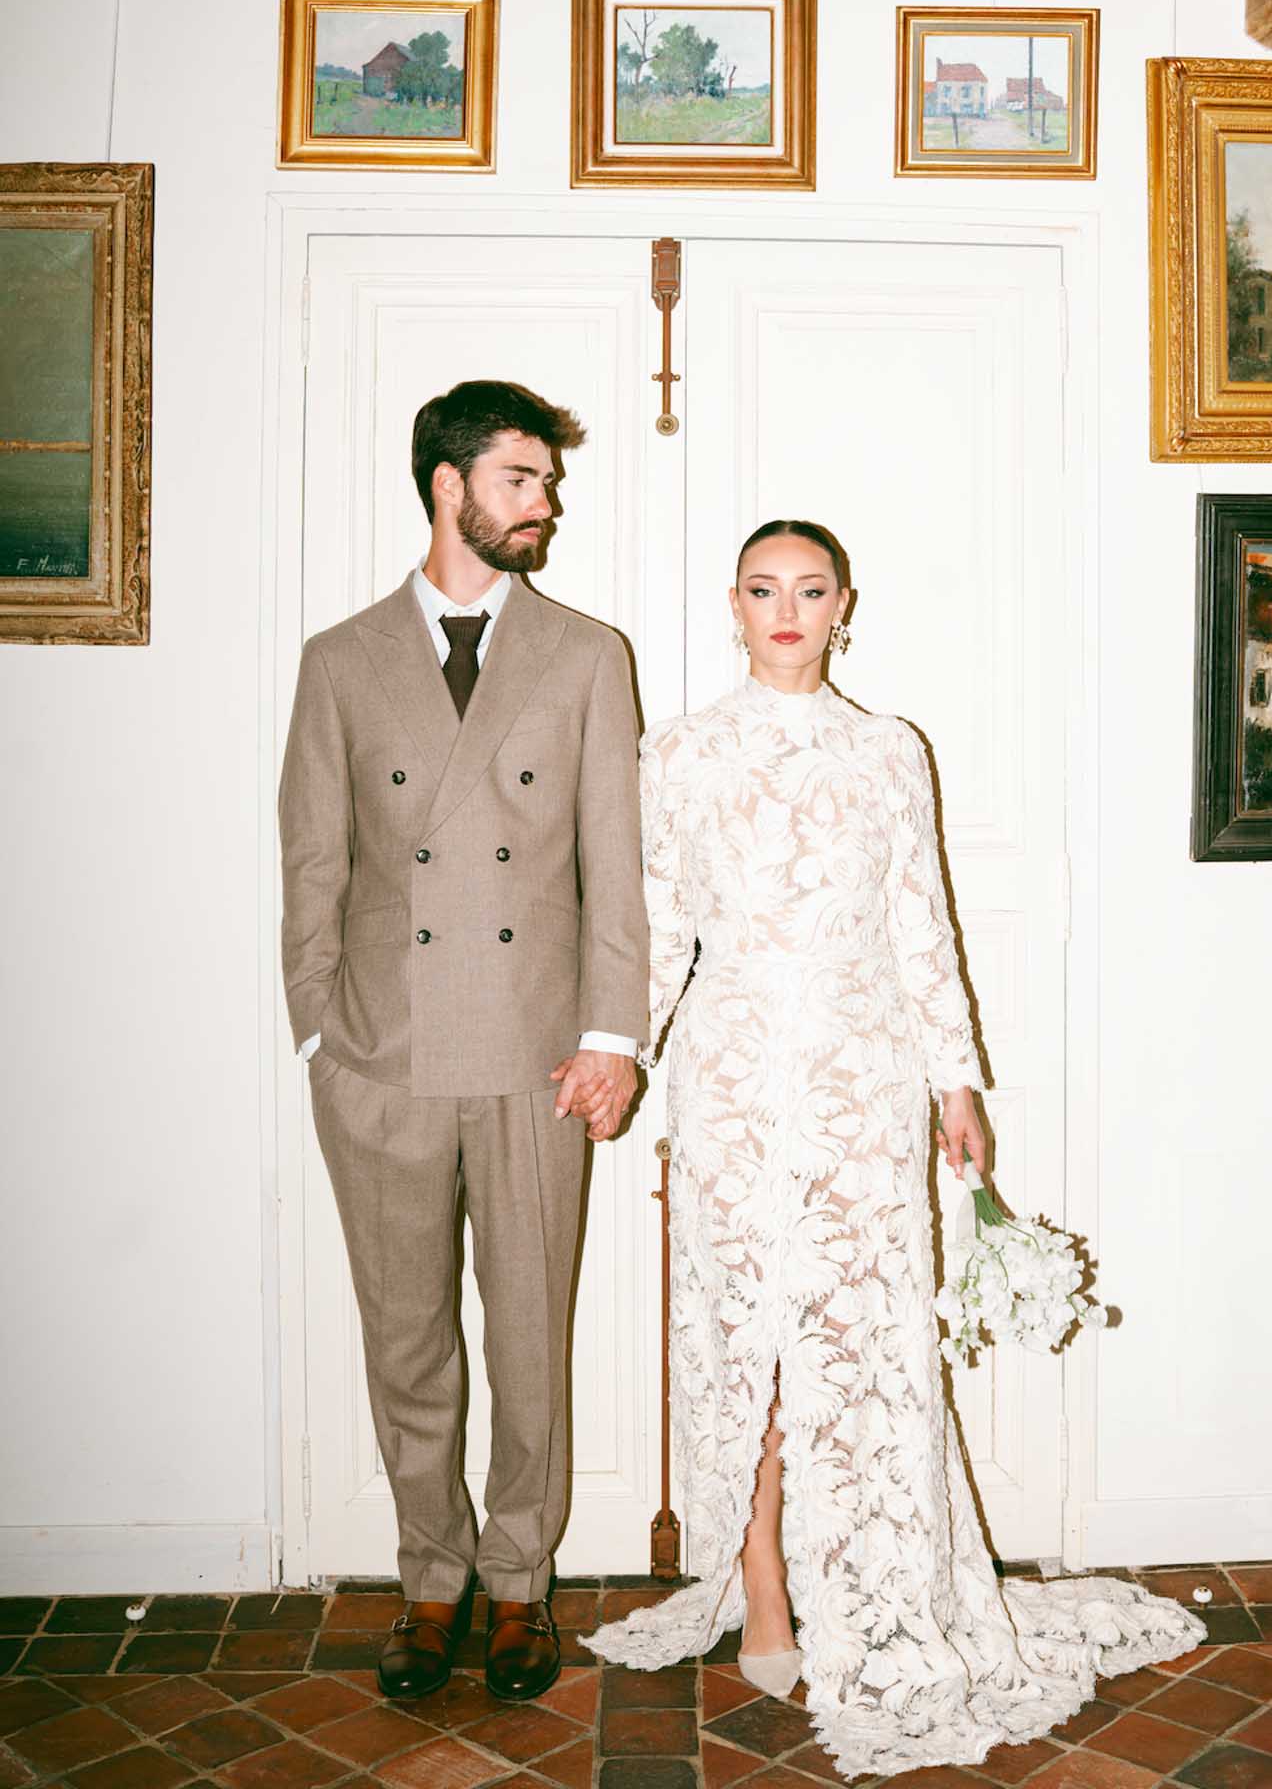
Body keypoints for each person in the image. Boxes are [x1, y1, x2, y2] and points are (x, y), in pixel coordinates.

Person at [584, 520, 1202, 1778]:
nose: (788, 611)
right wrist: (622, 1050)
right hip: (736, 1079)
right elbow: (653, 925)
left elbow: (924, 917)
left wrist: (954, 1078)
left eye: (811, 590)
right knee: (749, 1325)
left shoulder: (887, 749)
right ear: (733, 605)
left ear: (845, 605)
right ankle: (761, 1578)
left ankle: (877, 1584)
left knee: (858, 1331)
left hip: (866, 1085)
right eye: (765, 590)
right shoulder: (681, 753)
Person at [279, 380, 648, 1705]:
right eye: (518, 480)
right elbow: (312, 858)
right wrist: (323, 1033)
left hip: (542, 1055)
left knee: (528, 1335)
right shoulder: (342, 659)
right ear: (449, 487)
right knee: (406, 1338)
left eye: (544, 482)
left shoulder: (587, 654)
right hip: (383, 1059)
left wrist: (614, 1035)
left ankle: (518, 1586)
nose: (543, 504)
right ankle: (429, 1581)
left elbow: (619, 864)